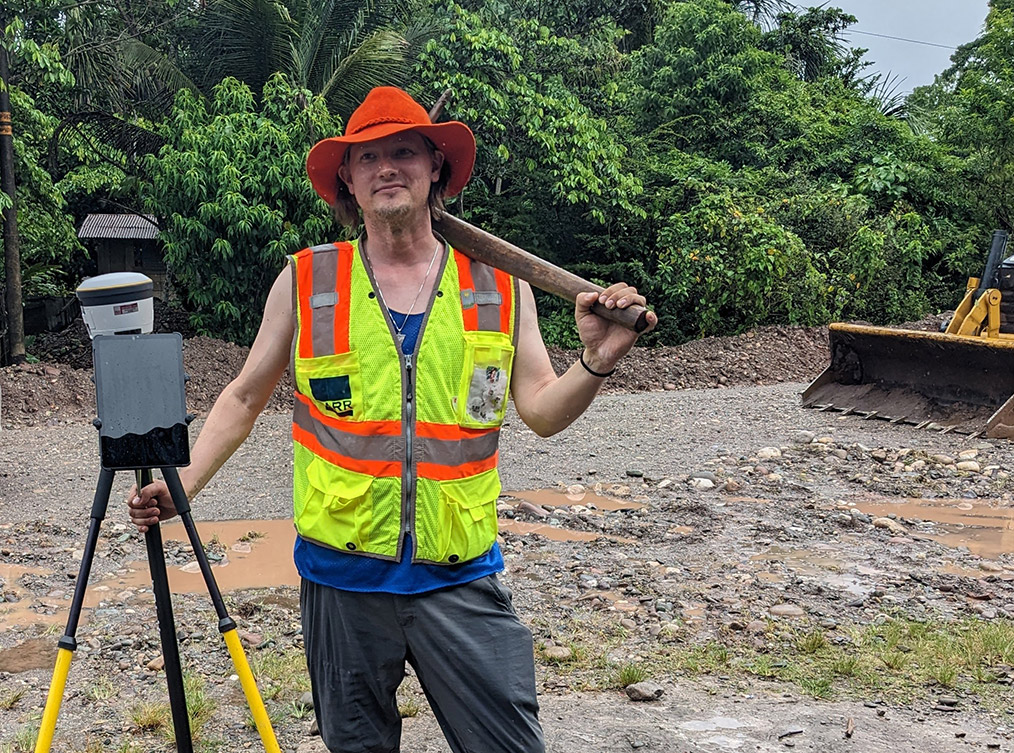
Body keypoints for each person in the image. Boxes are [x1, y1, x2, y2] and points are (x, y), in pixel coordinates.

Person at [126, 85, 655, 753]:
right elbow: (241, 397)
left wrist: (596, 362)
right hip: (343, 582)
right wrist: (184, 483)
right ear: (347, 178)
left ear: (436, 166)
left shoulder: (498, 285)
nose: (386, 168)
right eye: (367, 156)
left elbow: (543, 409)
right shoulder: (308, 280)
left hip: (460, 575)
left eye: (403, 151)